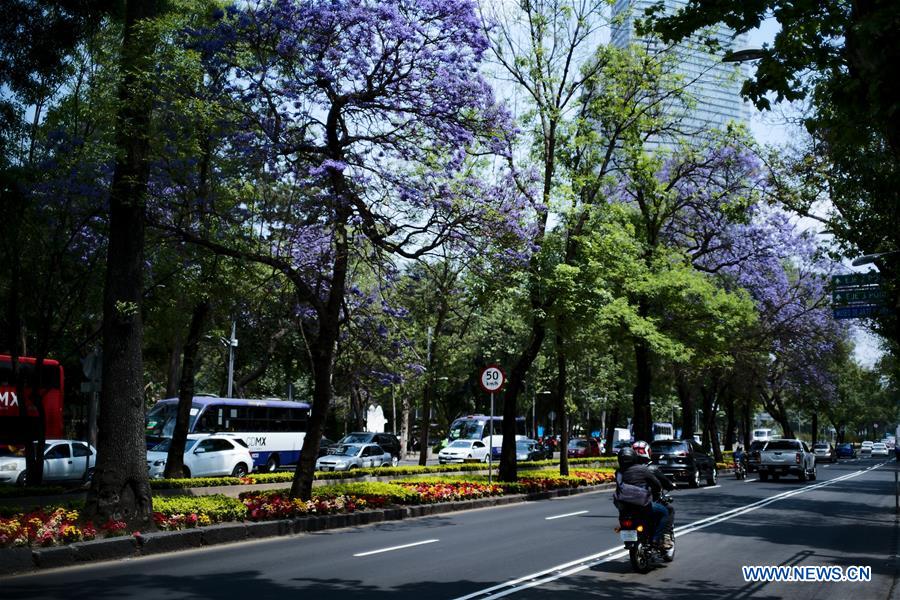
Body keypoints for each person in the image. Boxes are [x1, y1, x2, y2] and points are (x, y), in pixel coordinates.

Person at [615, 446, 673, 549]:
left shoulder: (618, 472)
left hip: (625, 508)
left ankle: (628, 540)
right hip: (641, 505)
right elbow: (657, 484)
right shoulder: (642, 469)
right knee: (665, 512)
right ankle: (656, 538)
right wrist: (658, 491)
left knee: (623, 518)